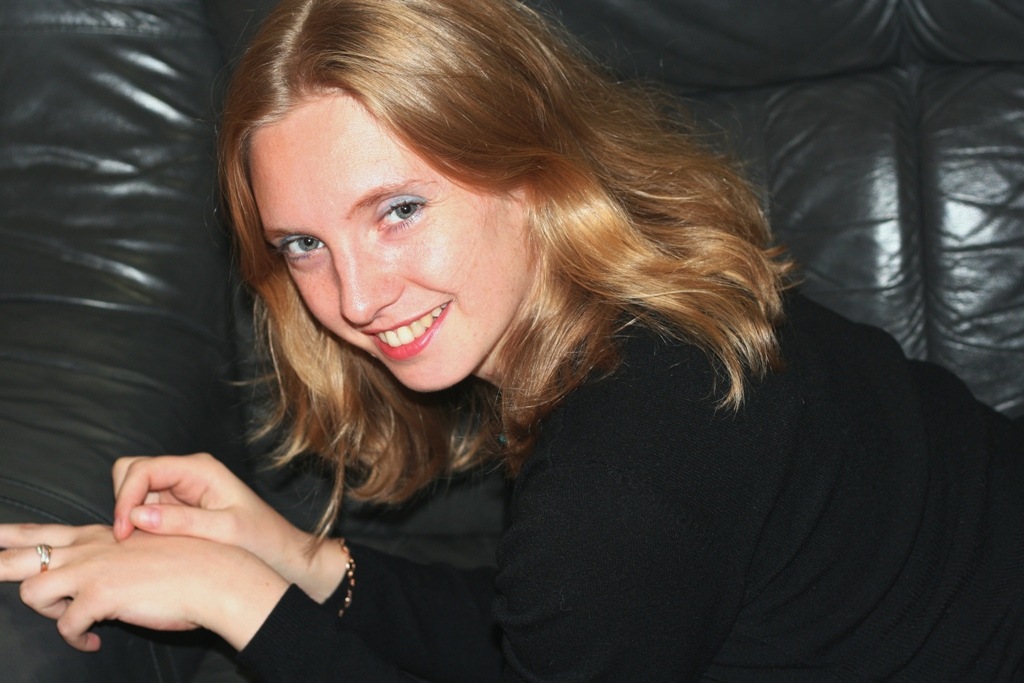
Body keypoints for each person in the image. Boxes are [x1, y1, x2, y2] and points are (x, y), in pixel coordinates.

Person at [2, 0, 1023, 679]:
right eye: (303, 244)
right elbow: (552, 627)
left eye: (398, 209)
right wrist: (293, 559)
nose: (355, 297)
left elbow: (591, 572)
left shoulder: (634, 452)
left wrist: (237, 600)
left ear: (530, 170)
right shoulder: (643, 320)